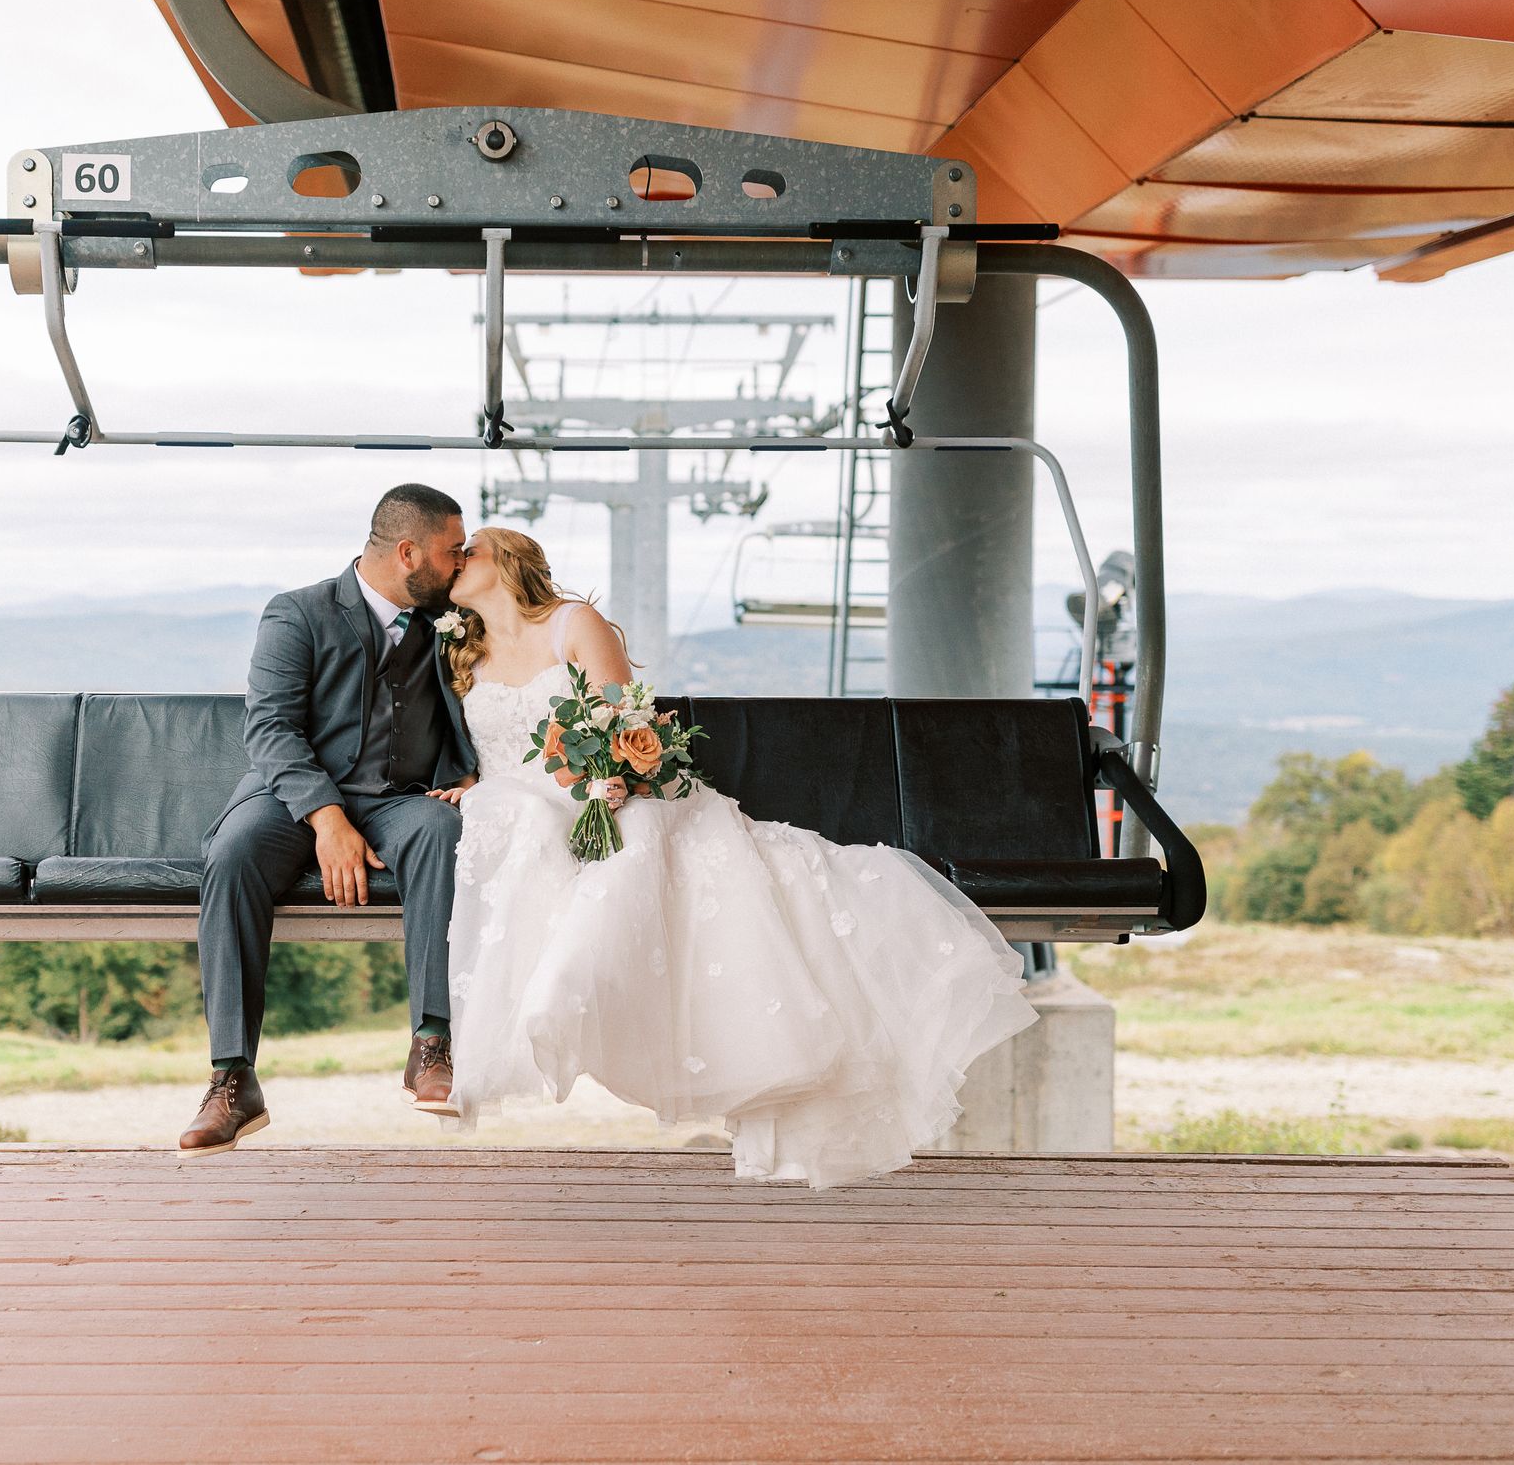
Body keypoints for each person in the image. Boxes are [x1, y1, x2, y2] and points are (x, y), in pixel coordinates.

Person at [432, 527, 1038, 1188]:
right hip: (524, 804)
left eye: (472, 547)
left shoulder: (574, 624)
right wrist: (472, 787)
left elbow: (620, 724)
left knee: (633, 854)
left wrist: (605, 781)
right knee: (512, 823)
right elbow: (485, 754)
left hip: (618, 792)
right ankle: (532, 1013)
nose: (458, 558)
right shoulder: (465, 651)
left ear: (510, 557)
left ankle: (561, 998)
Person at [179, 484, 479, 1155]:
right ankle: (232, 1078)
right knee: (231, 854)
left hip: (402, 801)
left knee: (443, 831)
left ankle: (432, 1041)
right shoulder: (298, 613)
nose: (460, 563)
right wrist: (326, 816)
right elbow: (271, 727)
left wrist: (475, 777)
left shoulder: (450, 620)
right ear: (408, 553)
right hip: (292, 799)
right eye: (451, 551)